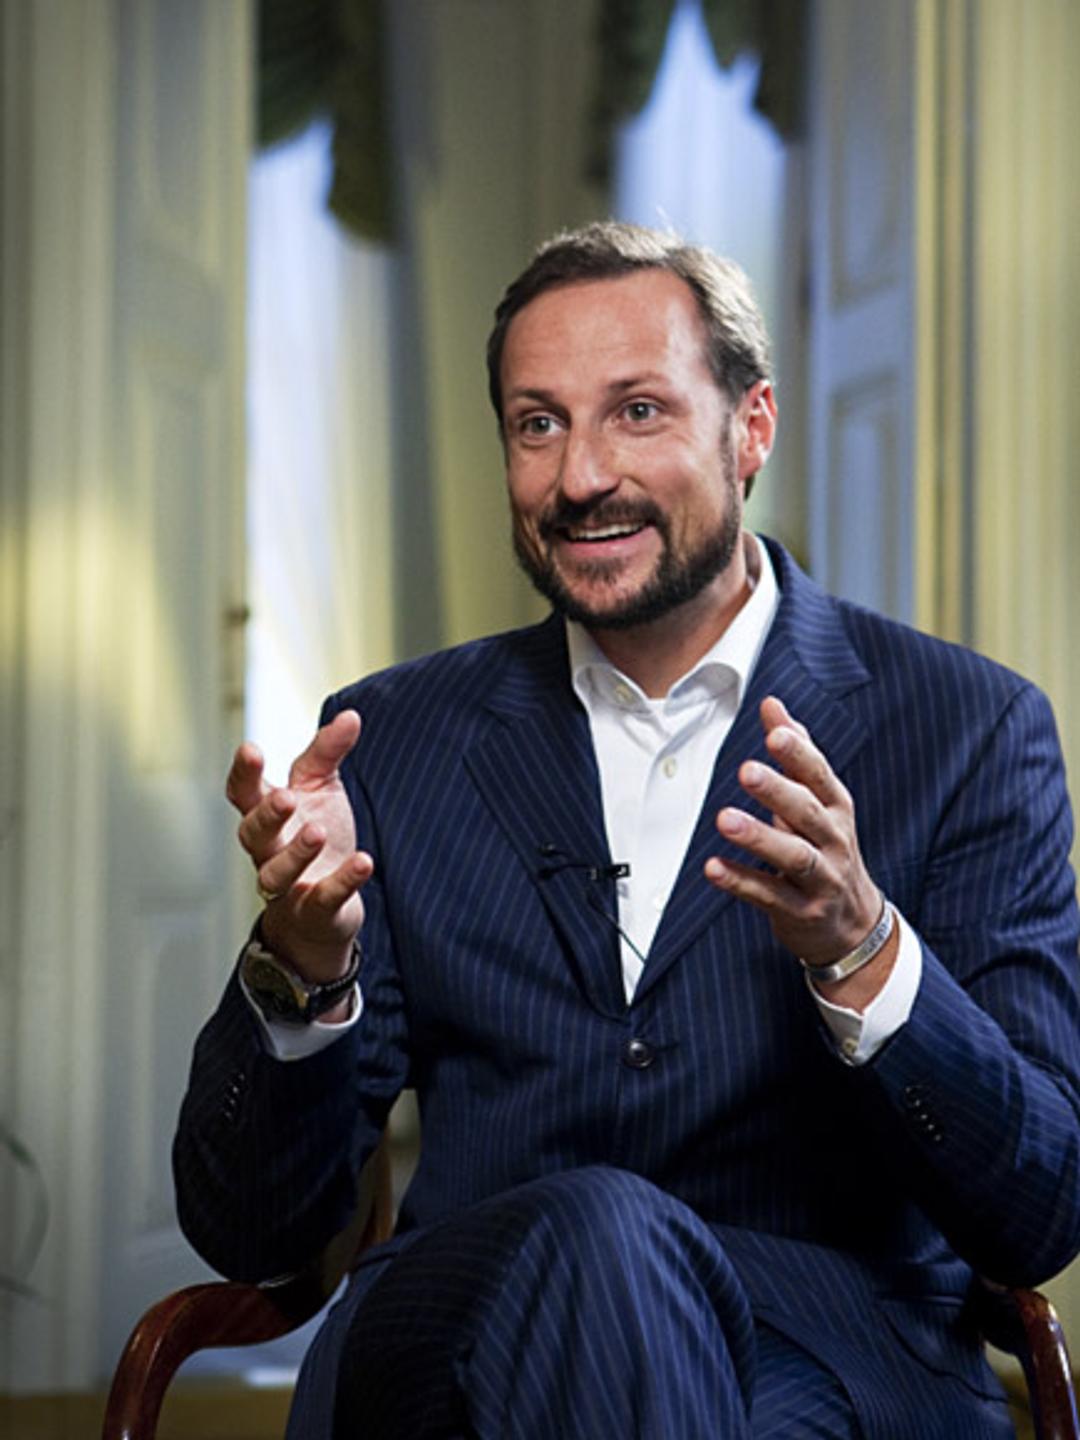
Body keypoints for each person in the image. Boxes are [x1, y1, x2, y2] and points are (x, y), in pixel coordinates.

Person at [174, 222, 1080, 1439]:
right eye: (537, 424)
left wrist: (864, 950)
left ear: (750, 427)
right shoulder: (390, 740)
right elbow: (249, 1231)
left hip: (820, 1348)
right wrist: (303, 967)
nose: (581, 475)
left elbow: (1037, 1209)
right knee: (599, 1233)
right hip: (464, 1333)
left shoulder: (968, 728)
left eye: (638, 412)